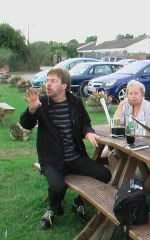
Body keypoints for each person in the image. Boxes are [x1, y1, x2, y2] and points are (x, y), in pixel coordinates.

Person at [20, 69, 112, 230]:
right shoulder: (41, 103)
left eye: (53, 80)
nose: (47, 84)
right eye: (47, 80)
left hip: (74, 157)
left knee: (104, 174)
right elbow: (26, 124)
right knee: (57, 187)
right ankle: (52, 209)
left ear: (64, 85)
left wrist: (88, 132)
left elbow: (85, 123)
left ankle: (78, 201)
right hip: (51, 160)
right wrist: (32, 109)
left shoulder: (75, 102)